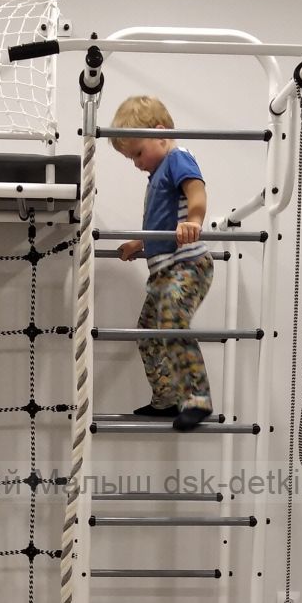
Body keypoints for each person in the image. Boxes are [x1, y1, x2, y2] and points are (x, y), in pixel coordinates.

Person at [110, 95, 213, 431]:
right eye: (131, 158)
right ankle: (167, 398)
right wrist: (139, 243)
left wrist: (194, 220)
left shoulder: (177, 158)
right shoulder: (156, 177)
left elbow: (196, 191)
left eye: (138, 154)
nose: (136, 163)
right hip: (162, 273)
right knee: (148, 333)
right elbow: (161, 224)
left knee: (171, 323)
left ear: (161, 133)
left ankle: (197, 399)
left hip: (188, 266)